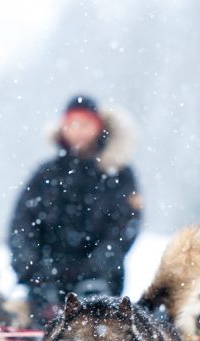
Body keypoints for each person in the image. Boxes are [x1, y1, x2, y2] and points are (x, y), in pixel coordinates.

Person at [8, 95, 142, 327]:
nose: (79, 130)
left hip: (101, 284)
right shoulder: (45, 174)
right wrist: (36, 275)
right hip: (46, 285)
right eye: (73, 123)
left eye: (86, 123)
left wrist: (97, 269)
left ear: (99, 127)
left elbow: (125, 227)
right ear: (63, 127)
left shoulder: (119, 174)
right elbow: (22, 227)